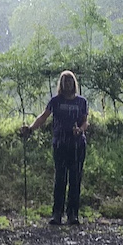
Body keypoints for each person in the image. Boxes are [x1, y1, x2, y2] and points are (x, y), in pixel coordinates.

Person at [23, 70, 89, 225]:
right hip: (60, 145)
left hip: (77, 146)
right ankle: (57, 214)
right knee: (60, 179)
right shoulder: (55, 101)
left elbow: (85, 121)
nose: (68, 84)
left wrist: (80, 129)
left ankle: (73, 214)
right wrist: (31, 129)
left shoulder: (81, 102)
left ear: (74, 83)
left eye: (70, 81)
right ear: (61, 84)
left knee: (75, 179)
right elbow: (44, 116)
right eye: (65, 81)